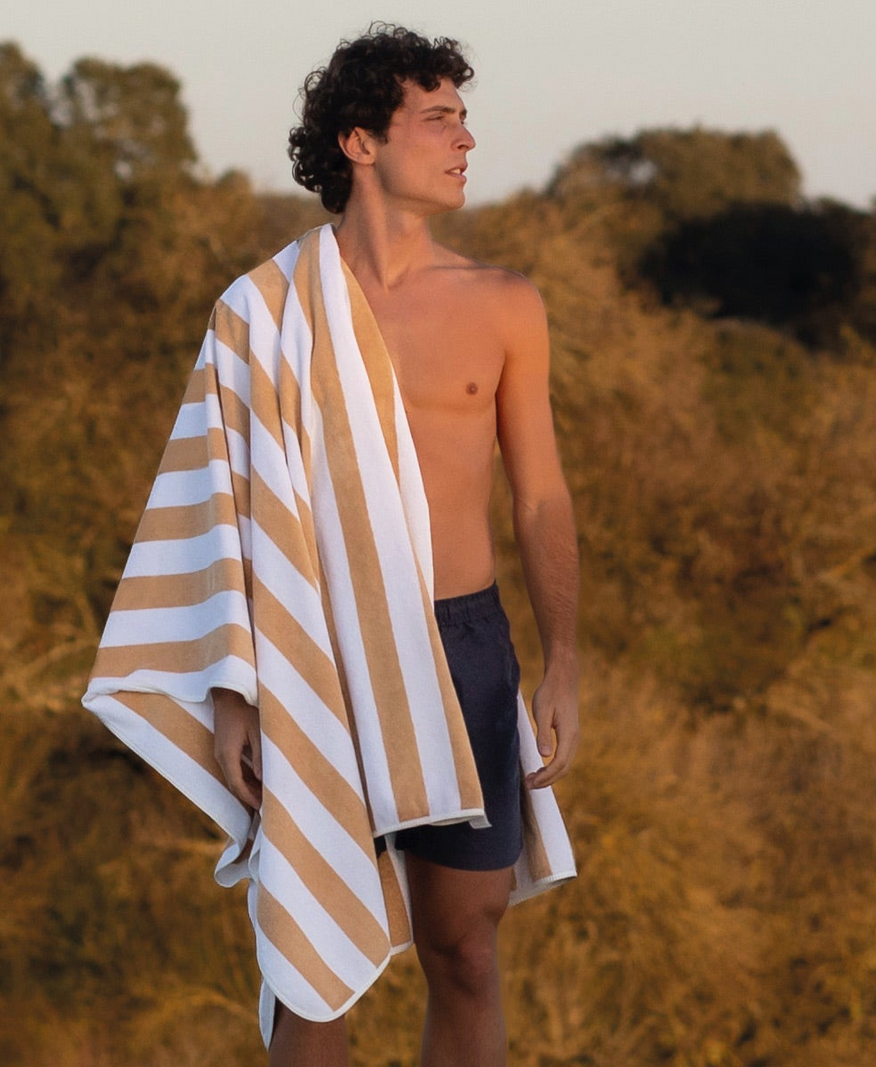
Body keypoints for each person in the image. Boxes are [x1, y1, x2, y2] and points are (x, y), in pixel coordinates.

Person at [209, 25, 581, 1067]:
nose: (467, 138)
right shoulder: (264, 312)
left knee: (463, 946)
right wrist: (231, 688)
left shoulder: (504, 304)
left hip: (463, 644)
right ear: (359, 141)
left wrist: (562, 660)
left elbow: (541, 494)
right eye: (439, 118)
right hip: (311, 656)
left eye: (463, 117)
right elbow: (227, 506)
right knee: (309, 954)